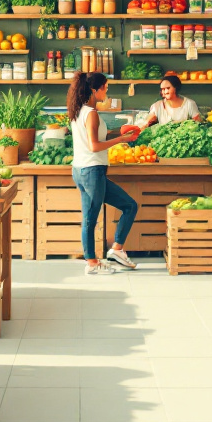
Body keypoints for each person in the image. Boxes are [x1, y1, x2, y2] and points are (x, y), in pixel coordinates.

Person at [68, 72, 140, 274]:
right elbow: (94, 146)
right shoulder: (91, 113)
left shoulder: (79, 111)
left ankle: (116, 249)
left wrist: (120, 132)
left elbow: (96, 137)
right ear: (94, 90)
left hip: (82, 170)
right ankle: (92, 263)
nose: (106, 91)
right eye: (105, 87)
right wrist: (121, 140)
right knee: (90, 218)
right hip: (92, 171)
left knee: (129, 205)